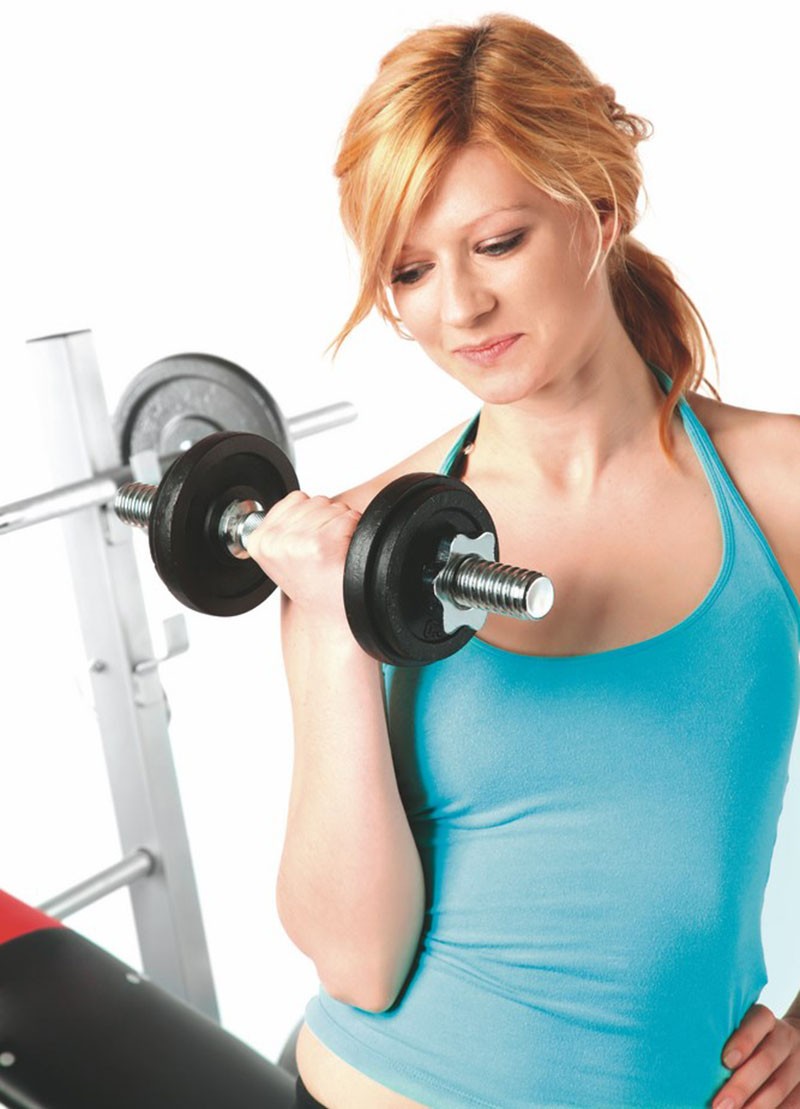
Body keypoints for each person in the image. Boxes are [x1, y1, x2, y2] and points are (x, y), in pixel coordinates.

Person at [245, 14, 800, 1108]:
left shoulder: (775, 490)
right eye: (409, 271)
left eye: (496, 242)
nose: (459, 308)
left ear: (600, 209)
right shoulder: (354, 544)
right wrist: (334, 628)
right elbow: (356, 963)